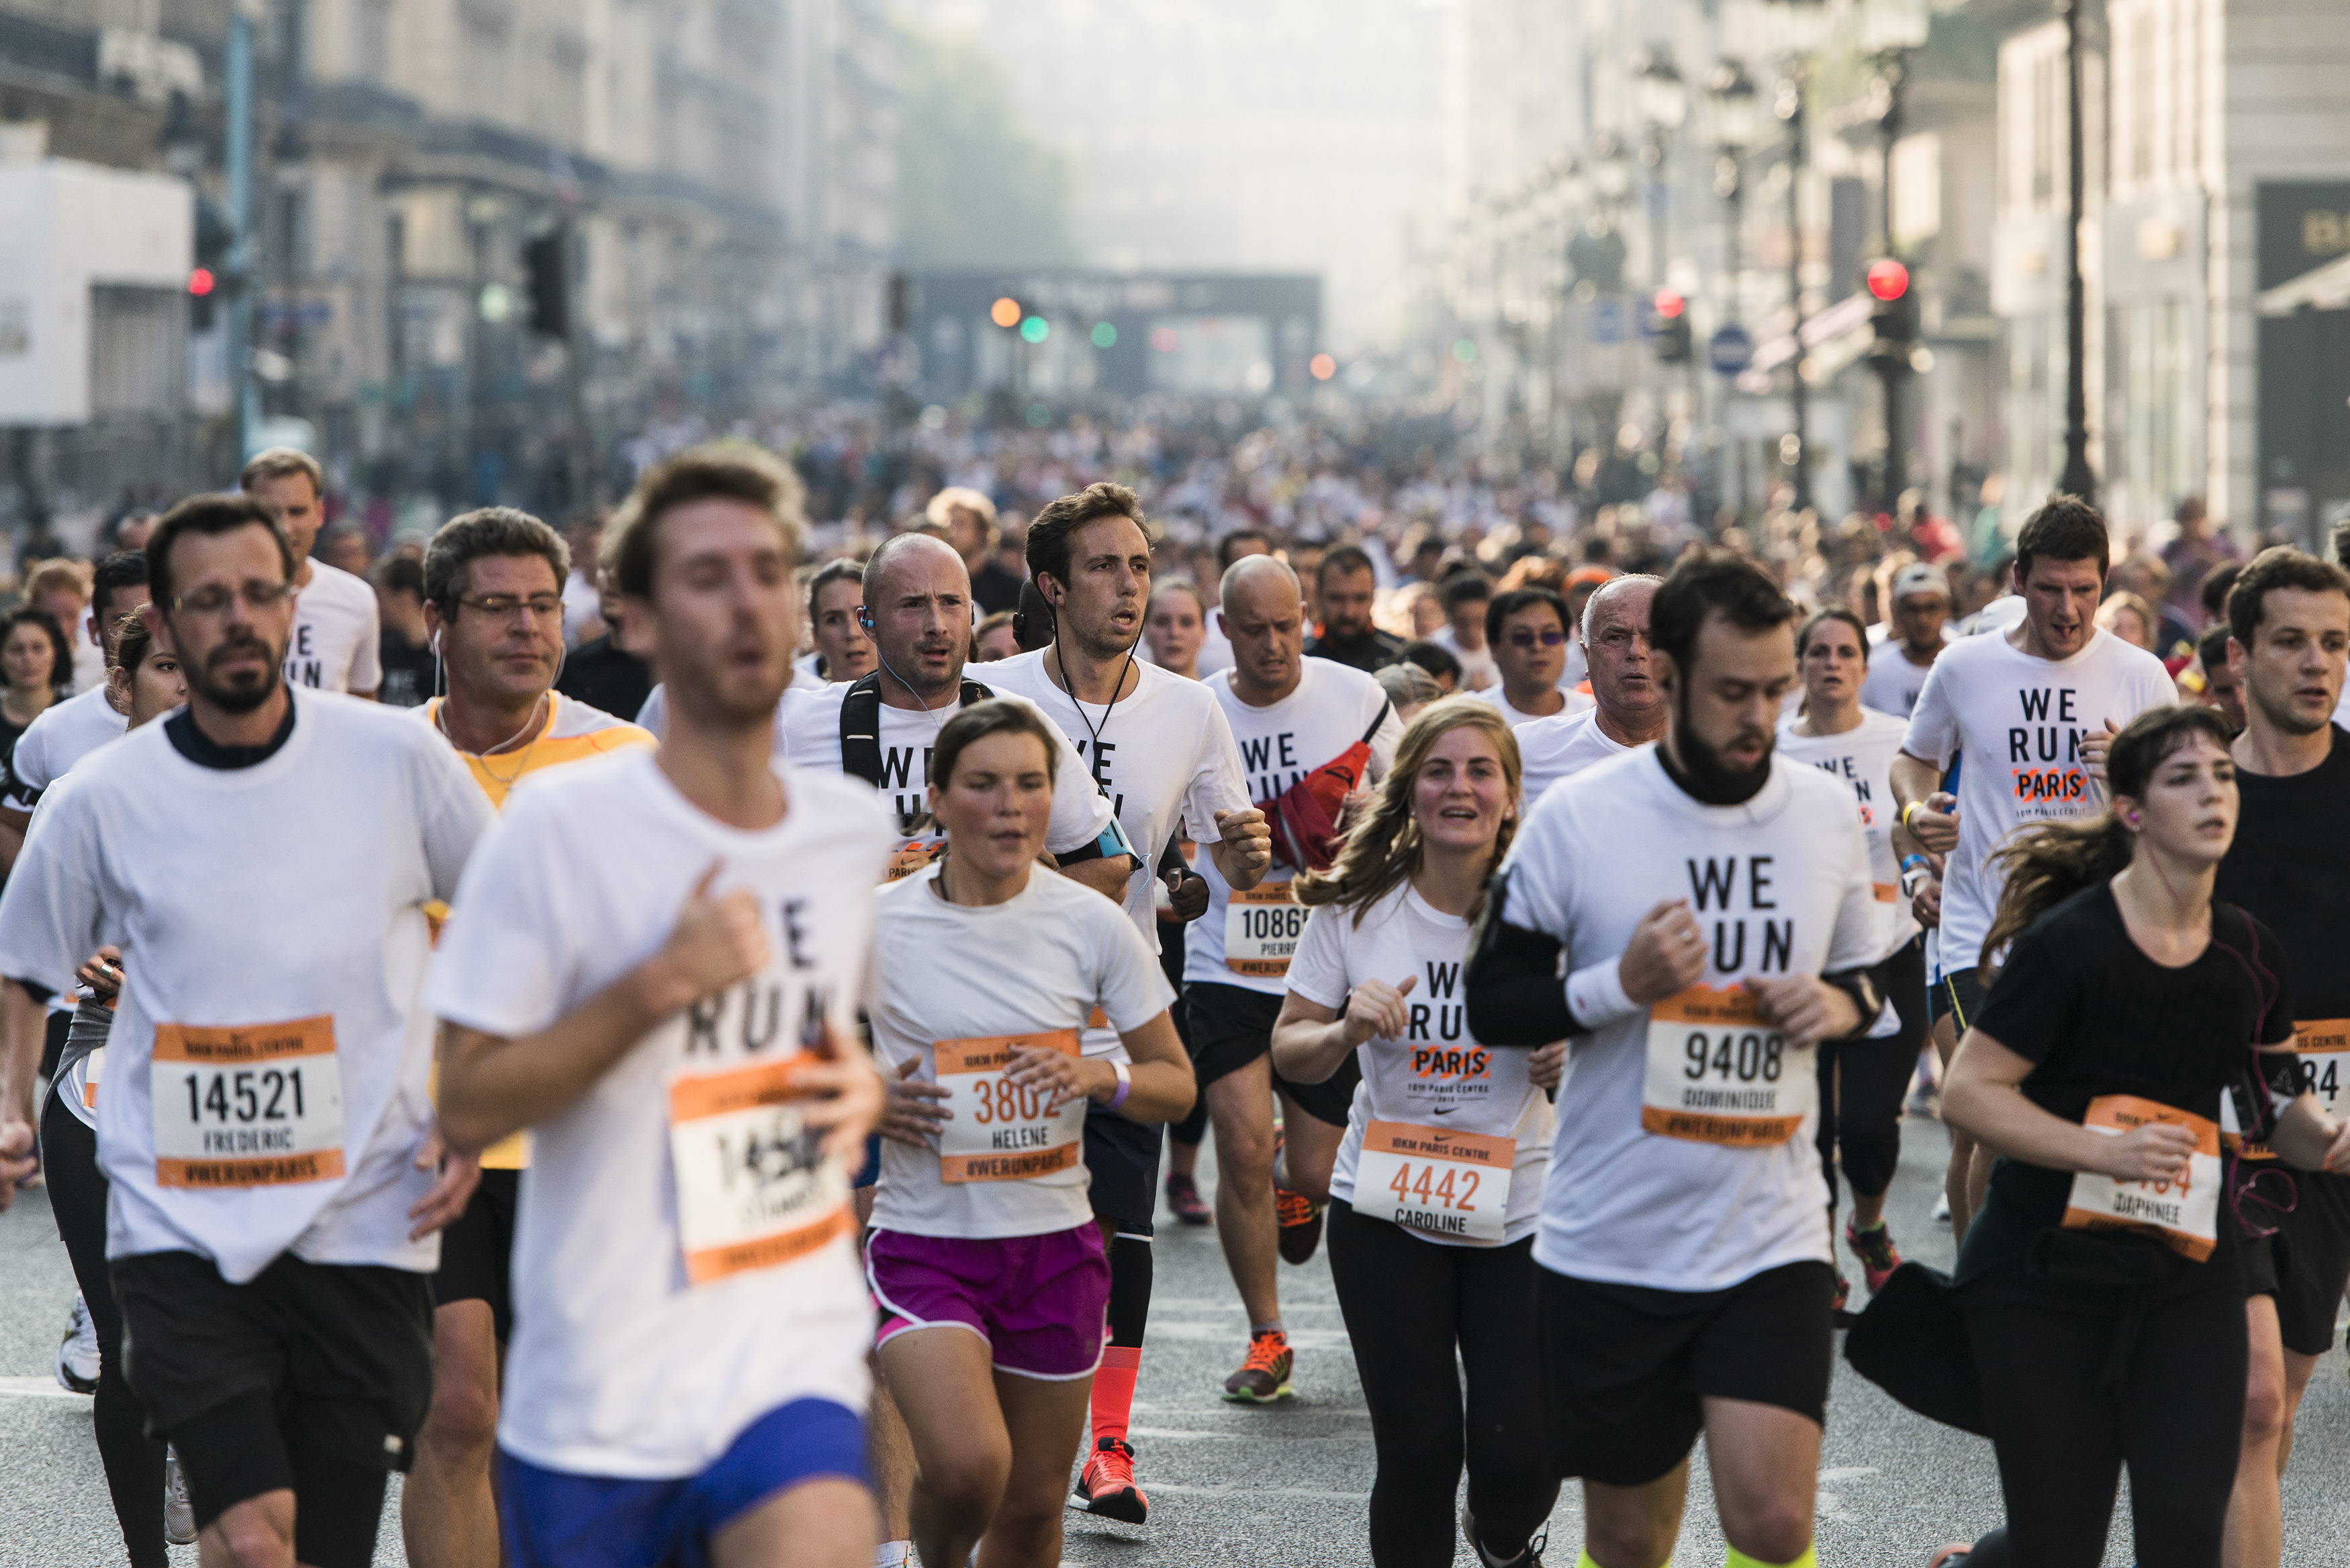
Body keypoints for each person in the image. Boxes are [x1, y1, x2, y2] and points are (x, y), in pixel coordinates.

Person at [0, 491, 492, 1568]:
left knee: (320, 1544)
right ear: (162, 627)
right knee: (255, 1534)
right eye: (205, 600)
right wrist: (7, 1113)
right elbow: (21, 966)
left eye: (258, 594)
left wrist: (476, 1103)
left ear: (293, 608)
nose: (236, 619)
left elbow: (515, 933)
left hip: (362, 1218)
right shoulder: (99, 795)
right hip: (181, 1216)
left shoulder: (395, 763)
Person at [427, 445, 890, 1568]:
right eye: (705, 576)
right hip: (602, 1386)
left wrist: (856, 1086)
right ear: (633, 616)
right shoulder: (562, 825)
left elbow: (820, 1043)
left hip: (783, 1340)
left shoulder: (845, 833)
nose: (746, 604)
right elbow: (466, 1096)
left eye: (768, 571)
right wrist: (651, 989)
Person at [1466, 551, 1885, 1568]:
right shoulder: (1580, 816)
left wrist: (1830, 1002)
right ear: (1677, 672)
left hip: (1771, 1231)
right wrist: (1621, 986)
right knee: (1626, 1539)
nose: (1759, 717)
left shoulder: (1824, 814)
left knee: (1776, 1523)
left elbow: (1869, 985)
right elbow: (1493, 1000)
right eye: (1735, 692)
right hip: (1612, 1239)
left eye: (1775, 691)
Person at [1934, 705, 2350, 1568]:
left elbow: (2280, 1114)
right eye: (2181, 778)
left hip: (2187, 1263)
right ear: (2129, 809)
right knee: (2059, 1544)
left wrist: (2329, 1136)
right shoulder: (2068, 944)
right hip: (2048, 1267)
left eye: (2221, 776)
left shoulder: (2249, 950)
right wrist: (2100, 1150)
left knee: (2185, 1535)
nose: (2212, 793)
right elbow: (1969, 1093)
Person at [978, 483, 1266, 1522]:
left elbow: (1214, 852)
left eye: (1140, 566)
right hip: (989, 1004)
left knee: (1114, 1233)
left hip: (1118, 1002)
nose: (1129, 586)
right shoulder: (986, 685)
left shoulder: (1193, 707)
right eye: (1105, 567)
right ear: (1052, 585)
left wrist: (1228, 861)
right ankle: (994, 1434)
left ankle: (1107, 1448)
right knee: (998, 1230)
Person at [865, 699, 1196, 1568]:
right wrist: (864, 1096)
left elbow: (1174, 1083)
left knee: (1028, 1512)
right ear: (936, 798)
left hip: (1054, 1249)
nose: (1010, 807)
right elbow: (787, 1065)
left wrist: (1101, 1076)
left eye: (1030, 786)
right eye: (983, 785)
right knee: (971, 1466)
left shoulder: (1090, 924)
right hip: (923, 1243)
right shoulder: (873, 924)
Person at [399, 507, 655, 1568]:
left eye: (543, 606)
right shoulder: (387, 760)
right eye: (496, 607)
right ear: (436, 623)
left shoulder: (625, 761)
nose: (525, 629)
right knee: (457, 1409)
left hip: (584, 1148)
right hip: (432, 1138)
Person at [1272, 699, 1560, 1568]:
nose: (1459, 788)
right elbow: (1292, 1052)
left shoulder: (1554, 914)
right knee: (1420, 1451)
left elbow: (1628, 1044)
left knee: (1517, 1460)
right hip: (1386, 1207)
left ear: (1511, 797)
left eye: (1481, 772)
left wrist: (1571, 1053)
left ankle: (1506, 1540)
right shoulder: (1359, 908)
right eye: (1439, 771)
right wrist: (1345, 1033)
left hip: (1526, 1213)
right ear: (1411, 792)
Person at [1893, 495, 2177, 1240]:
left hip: (2098, 931)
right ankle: (1980, 1299)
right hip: (1980, 932)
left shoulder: (2140, 675)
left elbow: (2179, 806)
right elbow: (1912, 759)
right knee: (1990, 1117)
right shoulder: (1964, 666)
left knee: (2071, 1111)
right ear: (2017, 578)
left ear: (2104, 581)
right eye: (2049, 587)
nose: (2067, 608)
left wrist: (2129, 772)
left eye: (2083, 589)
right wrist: (1915, 814)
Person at [1184, 554, 1401, 1403]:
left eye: (1286, 625)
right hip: (1226, 959)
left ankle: (1291, 1181)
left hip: (1327, 958)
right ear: (1223, 626)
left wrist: (1367, 811)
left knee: (1316, 1170)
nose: (1272, 644)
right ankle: (1267, 1333)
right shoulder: (1194, 709)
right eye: (1253, 628)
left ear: (1304, 617)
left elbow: (1404, 799)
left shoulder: (1357, 696)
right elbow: (1170, 843)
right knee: (1236, 1145)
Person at [26, 611, 187, 1567]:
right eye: (165, 667)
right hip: (101, 1087)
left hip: (247, 1093)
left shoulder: (275, 797)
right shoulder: (80, 797)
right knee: (133, 1343)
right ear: (122, 685)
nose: (186, 683)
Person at [2208, 548, 2350, 1568]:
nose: (2317, 664)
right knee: (2265, 1397)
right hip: (2253, 1124)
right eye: (2291, 642)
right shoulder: (2197, 796)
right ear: (2238, 654)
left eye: (2335, 643)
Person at [1775, 609, 1930, 1308]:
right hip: (1800, 961)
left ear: (1864, 667)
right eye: (1817, 651)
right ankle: (1813, 1260)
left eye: (1844, 652)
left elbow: (1915, 829)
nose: (1830, 663)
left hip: (1887, 950)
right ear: (1798, 663)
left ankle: (1866, 1227)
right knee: (1808, 1126)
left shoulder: (1894, 742)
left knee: (1868, 1124)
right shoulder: (1773, 749)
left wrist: (1921, 873)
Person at [1513, 574, 1664, 807]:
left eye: (1654, 638)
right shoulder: (1527, 752)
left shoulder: (1725, 762)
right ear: (1587, 656)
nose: (1636, 651)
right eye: (1616, 637)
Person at [240, 447, 383, 697]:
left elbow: (363, 704)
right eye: (271, 513)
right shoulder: (215, 601)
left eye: (297, 512)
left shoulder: (357, 599)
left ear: (319, 513)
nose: (285, 527)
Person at [1473, 587, 1581, 727]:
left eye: (1550, 636)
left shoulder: (1595, 714)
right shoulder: (1472, 717)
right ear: (1494, 649)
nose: (1538, 647)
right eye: (1522, 637)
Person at [1859, 562, 1952, 718]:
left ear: (1947, 609)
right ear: (1897, 612)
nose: (1923, 620)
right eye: (1913, 609)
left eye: (1931, 608)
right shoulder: (1874, 672)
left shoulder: (1963, 664)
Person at [1303, 546, 1405, 673]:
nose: (1348, 612)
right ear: (1318, 595)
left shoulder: (1402, 658)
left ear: (1373, 596)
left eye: (1360, 599)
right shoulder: (1299, 661)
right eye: (1337, 599)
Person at [933, 486, 1023, 615]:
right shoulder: (935, 584)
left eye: (961, 524)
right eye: (948, 524)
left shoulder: (1009, 588)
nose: (952, 532)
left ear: (982, 531)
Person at [0, 605, 73, 763]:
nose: (28, 658)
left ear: (55, 653)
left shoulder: (75, 715)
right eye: (17, 650)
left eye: (38, 648)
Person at [24, 558, 102, 695]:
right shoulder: (19, 658)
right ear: (32, 609)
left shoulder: (99, 659)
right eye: (52, 617)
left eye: (72, 616)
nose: (62, 627)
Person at [374, 556, 438, 708]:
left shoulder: (441, 656)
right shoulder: (383, 649)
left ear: (405, 597)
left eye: (381, 595)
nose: (376, 604)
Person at [804, 558, 878, 683]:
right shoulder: (804, 702)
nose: (852, 633)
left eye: (863, 616)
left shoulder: (919, 700)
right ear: (815, 636)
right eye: (834, 620)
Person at [1429, 571, 1499, 693]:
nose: (1471, 631)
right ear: (1450, 617)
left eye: (1479, 621)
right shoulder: (1435, 648)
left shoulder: (1500, 643)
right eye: (1462, 622)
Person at [1142, 579, 1207, 681]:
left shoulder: (1214, 696)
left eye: (1187, 623)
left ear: (1204, 632)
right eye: (1162, 622)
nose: (1174, 633)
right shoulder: (1122, 696)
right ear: (1144, 631)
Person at [2095, 589, 2158, 653]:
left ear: (2144, 634)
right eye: (2117, 628)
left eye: (2132, 629)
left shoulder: (2152, 663)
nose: (2125, 636)